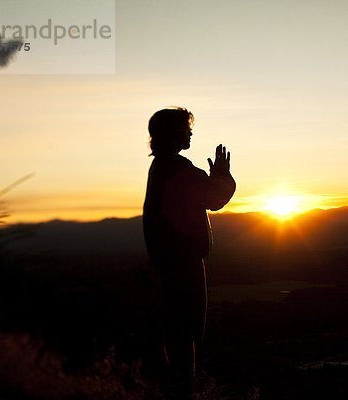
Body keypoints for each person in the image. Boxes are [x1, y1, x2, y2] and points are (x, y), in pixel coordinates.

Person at [142, 107, 235, 398]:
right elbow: (216, 198)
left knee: (178, 332)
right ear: (174, 133)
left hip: (170, 263)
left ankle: (179, 386)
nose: (191, 132)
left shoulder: (161, 167)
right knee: (187, 333)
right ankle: (184, 390)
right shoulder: (178, 170)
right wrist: (222, 175)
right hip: (184, 265)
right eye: (186, 128)